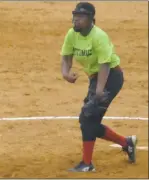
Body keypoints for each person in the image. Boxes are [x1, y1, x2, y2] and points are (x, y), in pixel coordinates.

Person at [61, 2, 137, 172]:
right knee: (88, 120)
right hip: (96, 79)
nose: (76, 20)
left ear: (91, 19)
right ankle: (126, 143)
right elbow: (66, 56)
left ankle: (87, 164)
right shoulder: (71, 34)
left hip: (111, 77)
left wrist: (100, 91)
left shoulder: (99, 36)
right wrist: (65, 73)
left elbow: (105, 65)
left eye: (81, 17)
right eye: (75, 16)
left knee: (88, 118)